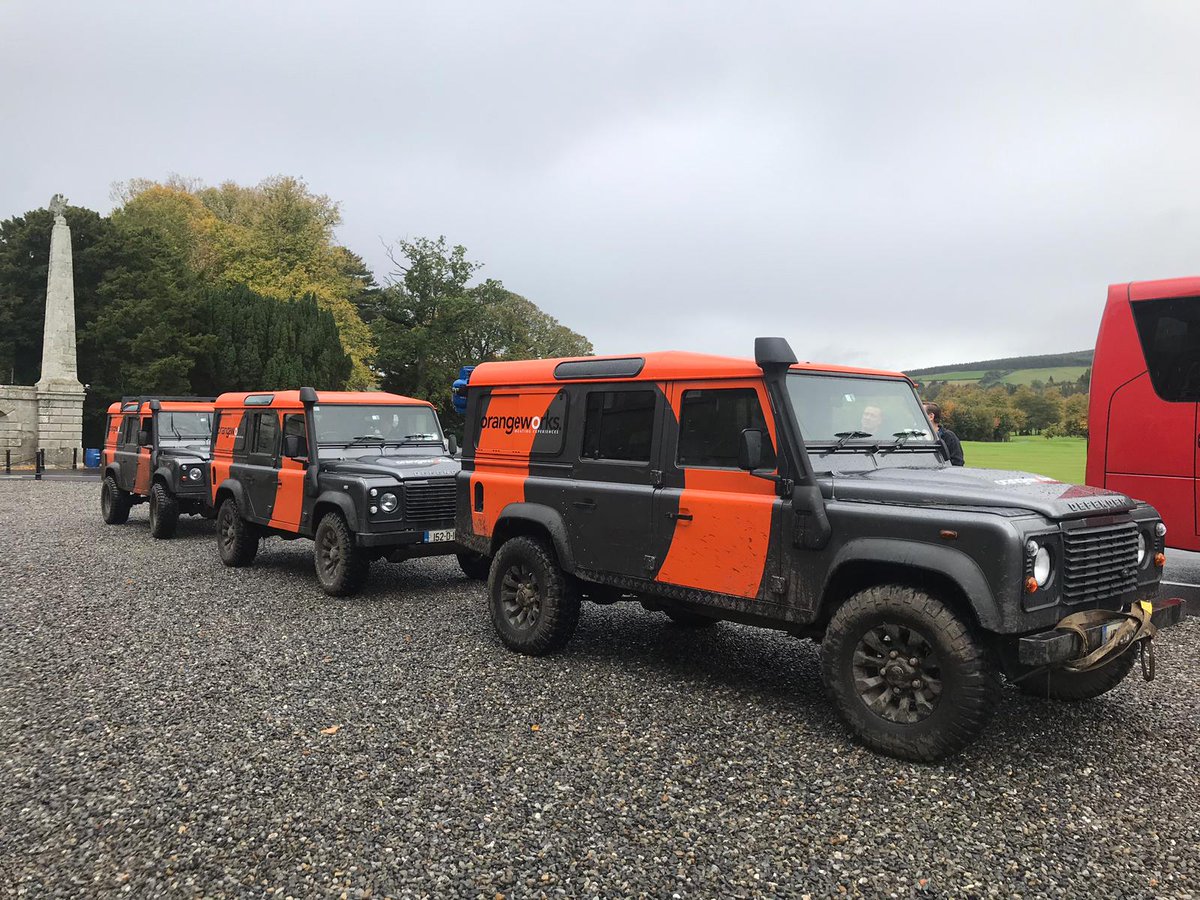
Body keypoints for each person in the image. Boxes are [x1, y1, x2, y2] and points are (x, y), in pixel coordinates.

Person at [924, 402, 964, 466]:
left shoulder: (949, 437)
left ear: (931, 416)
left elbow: (957, 463)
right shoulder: (915, 436)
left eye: (921, 413)